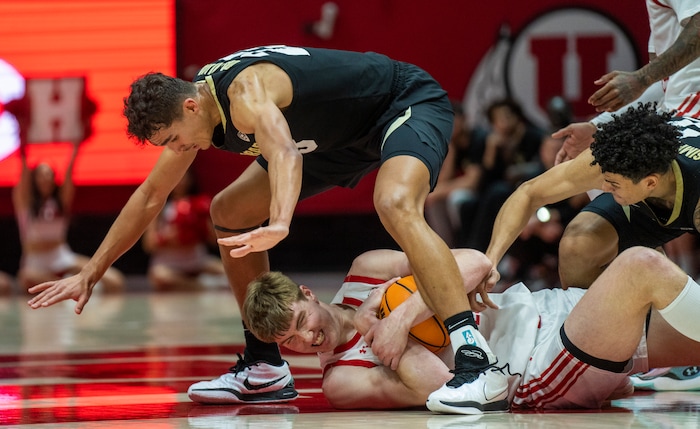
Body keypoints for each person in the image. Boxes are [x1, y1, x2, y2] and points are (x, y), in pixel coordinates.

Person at [26, 45, 507, 412]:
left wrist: (279, 222)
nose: (176, 150)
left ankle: (473, 357)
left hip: (399, 103)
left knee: (394, 202)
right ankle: (263, 363)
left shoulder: (244, 92)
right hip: (333, 141)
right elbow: (149, 197)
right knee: (229, 211)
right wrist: (91, 271)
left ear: (191, 108)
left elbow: (283, 152)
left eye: (173, 139)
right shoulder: (196, 115)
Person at [243, 246, 700, 411]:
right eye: (289, 343)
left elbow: (474, 262)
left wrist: (398, 314)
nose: (306, 340)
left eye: (301, 323)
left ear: (306, 293)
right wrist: (386, 330)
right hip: (535, 367)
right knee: (640, 265)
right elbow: (445, 388)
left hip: (540, 308)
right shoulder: (340, 381)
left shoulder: (368, 269)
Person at [482, 103, 697, 299]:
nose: (603, 187)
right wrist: (490, 262)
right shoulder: (612, 158)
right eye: (606, 179)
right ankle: (589, 331)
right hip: (650, 192)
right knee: (577, 245)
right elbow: (528, 193)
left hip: (689, 194)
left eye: (613, 183)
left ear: (649, 183)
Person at [13, 141, 124, 292]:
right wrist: (23, 146)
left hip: (62, 257)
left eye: (48, 175)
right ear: (34, 179)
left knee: (115, 281)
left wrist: (76, 146)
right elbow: (23, 178)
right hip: (36, 263)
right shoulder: (26, 204)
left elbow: (69, 177)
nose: (45, 178)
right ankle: (70, 287)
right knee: (26, 277)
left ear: (53, 179)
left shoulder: (60, 203)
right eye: (41, 175)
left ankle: (71, 287)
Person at [459, 98, 544, 251]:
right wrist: (491, 152)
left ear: (517, 116)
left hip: (528, 188)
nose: (504, 121)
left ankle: (478, 248)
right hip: (497, 191)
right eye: (498, 118)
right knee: (468, 205)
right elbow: (485, 179)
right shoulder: (491, 141)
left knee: (497, 192)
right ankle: (466, 249)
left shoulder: (534, 137)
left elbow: (542, 168)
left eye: (507, 116)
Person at [142, 169, 226, 290]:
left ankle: (201, 283)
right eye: (176, 177)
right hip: (169, 264)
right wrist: (168, 237)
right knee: (159, 276)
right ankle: (201, 285)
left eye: (183, 177)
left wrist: (199, 227)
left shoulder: (199, 204)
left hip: (197, 261)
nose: (180, 181)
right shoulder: (158, 207)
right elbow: (148, 244)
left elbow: (214, 240)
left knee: (227, 270)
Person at [424, 102, 484, 247]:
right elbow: (444, 180)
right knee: (434, 201)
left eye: (452, 119)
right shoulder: (452, 143)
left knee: (454, 198)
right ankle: (444, 249)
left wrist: (437, 193)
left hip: (488, 189)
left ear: (464, 119)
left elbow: (472, 181)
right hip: (471, 190)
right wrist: (450, 150)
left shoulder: (478, 139)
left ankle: (467, 245)